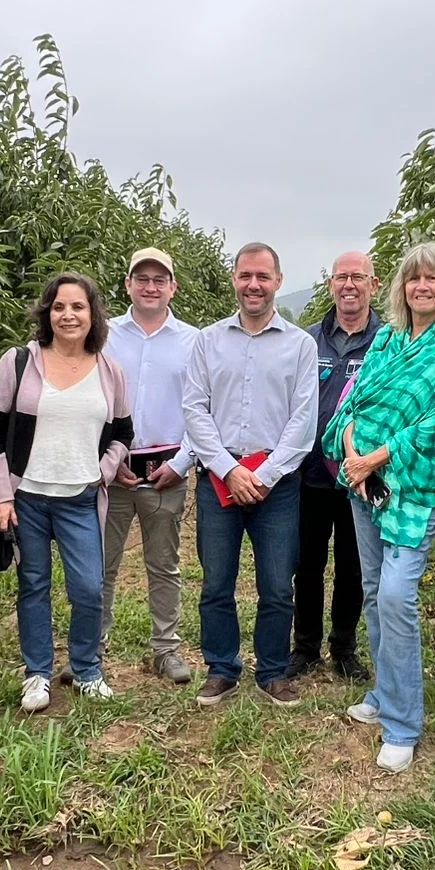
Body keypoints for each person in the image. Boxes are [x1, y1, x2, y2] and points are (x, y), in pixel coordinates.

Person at [323, 243, 435, 772]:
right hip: (363, 483)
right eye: (414, 279)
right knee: (372, 589)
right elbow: (354, 401)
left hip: (411, 489)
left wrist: (376, 459)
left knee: (395, 595)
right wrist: (350, 455)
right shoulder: (385, 339)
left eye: (433, 278)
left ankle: (404, 724)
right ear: (402, 287)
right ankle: (385, 694)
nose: (422, 287)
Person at [0, 273, 132, 709]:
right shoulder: (19, 362)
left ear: (92, 315)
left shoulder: (109, 372)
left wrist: (103, 470)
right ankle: (37, 673)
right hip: (27, 496)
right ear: (47, 312)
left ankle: (86, 668)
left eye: (78, 307)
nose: (68, 315)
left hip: (80, 497)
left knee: (88, 587)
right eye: (59, 306)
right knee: (34, 583)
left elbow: (122, 433)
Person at [182, 242, 318, 708]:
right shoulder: (208, 340)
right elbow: (194, 410)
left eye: (263, 276)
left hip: (276, 486)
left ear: (278, 281)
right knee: (216, 580)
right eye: (245, 276)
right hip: (218, 478)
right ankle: (221, 667)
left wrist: (266, 474)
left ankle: (273, 670)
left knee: (278, 583)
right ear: (234, 280)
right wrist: (229, 468)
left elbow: (303, 421)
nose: (253, 285)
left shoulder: (301, 345)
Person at [101, 247, 199, 685]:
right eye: (142, 278)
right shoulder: (103, 334)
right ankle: (91, 648)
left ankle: (166, 649)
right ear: (127, 285)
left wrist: (182, 463)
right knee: (101, 562)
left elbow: (203, 409)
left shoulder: (193, 340)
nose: (151, 286)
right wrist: (104, 455)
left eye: (160, 279)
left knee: (164, 564)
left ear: (173, 287)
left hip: (166, 468)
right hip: (112, 468)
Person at [288, 250, 382, 682]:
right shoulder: (307, 341)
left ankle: (344, 645)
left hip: (359, 475)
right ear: (330, 285)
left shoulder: (388, 343)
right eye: (342, 277)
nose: (349, 285)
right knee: (306, 564)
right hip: (309, 474)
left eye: (358, 277)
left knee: (353, 564)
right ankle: (304, 646)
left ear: (373, 286)